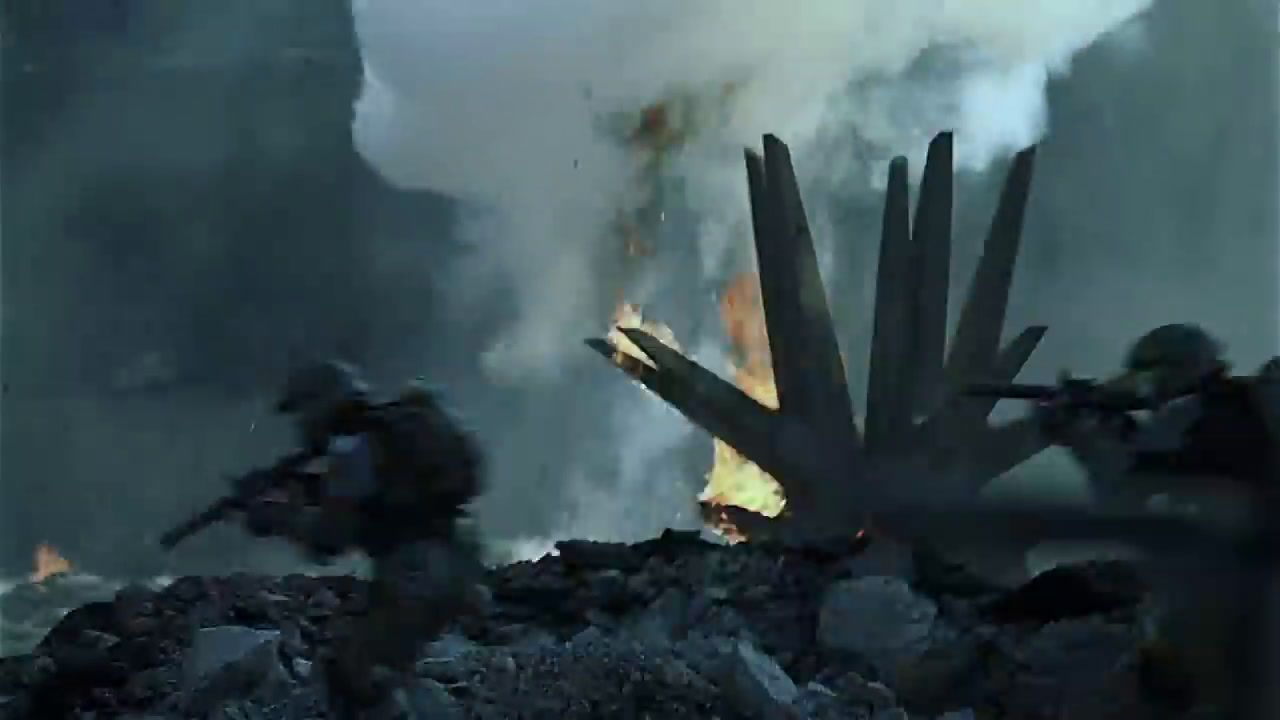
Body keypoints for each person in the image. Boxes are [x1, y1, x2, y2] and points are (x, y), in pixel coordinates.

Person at [242, 360, 486, 717]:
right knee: (386, 672)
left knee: (354, 676)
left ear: (321, 405)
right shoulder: (388, 436)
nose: (301, 425)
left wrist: (280, 518)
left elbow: (329, 539)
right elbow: (377, 505)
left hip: (416, 575)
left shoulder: (354, 449)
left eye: (303, 412)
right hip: (459, 559)